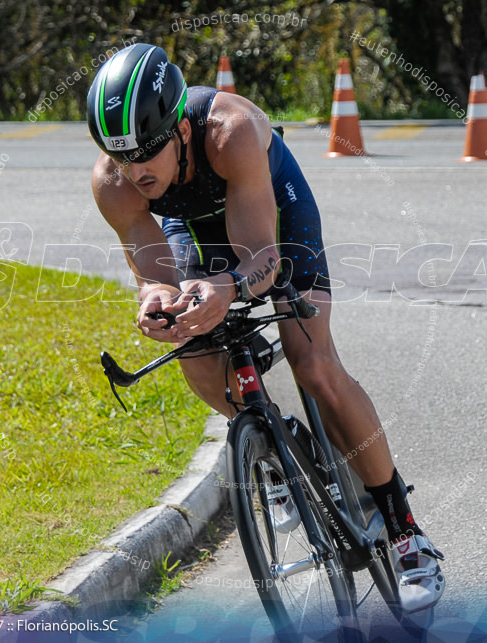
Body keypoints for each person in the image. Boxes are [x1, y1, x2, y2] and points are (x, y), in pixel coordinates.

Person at [87, 42, 445, 611]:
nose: (135, 171)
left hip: (271, 206)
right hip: (193, 225)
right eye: (119, 155)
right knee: (193, 344)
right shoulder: (113, 180)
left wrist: (227, 286)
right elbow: (151, 272)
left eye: (148, 153)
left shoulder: (232, 132)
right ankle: (269, 449)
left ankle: (405, 532)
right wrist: (157, 300)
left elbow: (262, 258)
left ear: (181, 127)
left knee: (314, 363)